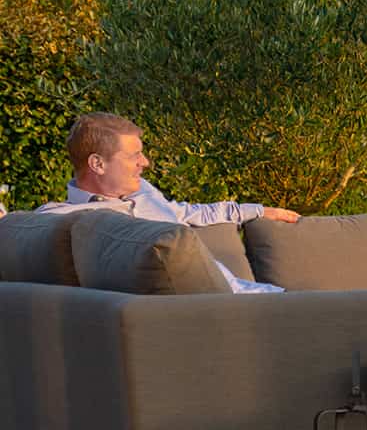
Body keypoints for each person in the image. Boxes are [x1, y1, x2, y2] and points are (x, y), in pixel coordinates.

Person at [36, 112, 300, 294]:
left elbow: (189, 213)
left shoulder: (143, 191)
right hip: (222, 309)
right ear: (98, 164)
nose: (145, 162)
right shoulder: (67, 219)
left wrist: (259, 211)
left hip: (257, 294)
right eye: (134, 155)